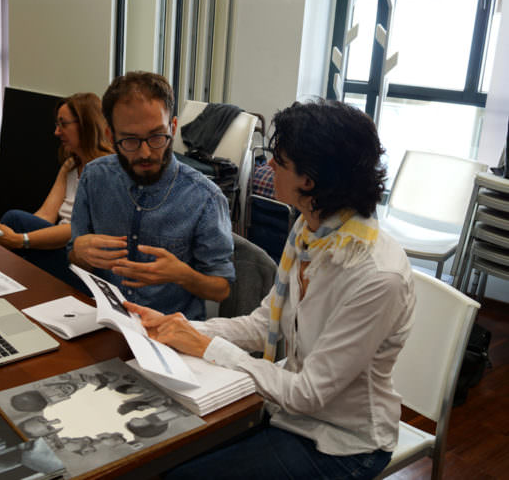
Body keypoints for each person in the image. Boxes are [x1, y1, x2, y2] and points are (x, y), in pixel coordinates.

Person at [125, 99, 416, 480]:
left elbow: (309, 393)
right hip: (289, 412)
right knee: (161, 455)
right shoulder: (311, 231)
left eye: (279, 161)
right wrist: (180, 327)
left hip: (343, 443)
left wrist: (207, 347)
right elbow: (265, 323)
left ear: (309, 181)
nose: (269, 167)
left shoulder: (376, 276)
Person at [68, 71, 235, 321]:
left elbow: (221, 289)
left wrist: (181, 274)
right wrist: (78, 253)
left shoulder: (205, 198)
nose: (146, 153)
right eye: (131, 140)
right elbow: (75, 257)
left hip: (171, 334)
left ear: (173, 127)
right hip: (107, 322)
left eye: (157, 136)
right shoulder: (94, 177)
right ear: (111, 137)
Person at [0, 93, 113, 287]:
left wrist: (21, 240)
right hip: (60, 244)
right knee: (10, 225)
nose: (56, 132)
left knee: (14, 221)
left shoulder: (108, 171)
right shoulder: (71, 166)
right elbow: (46, 215)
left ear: (85, 125)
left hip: (83, 259)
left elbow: (77, 230)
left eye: (63, 124)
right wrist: (13, 235)